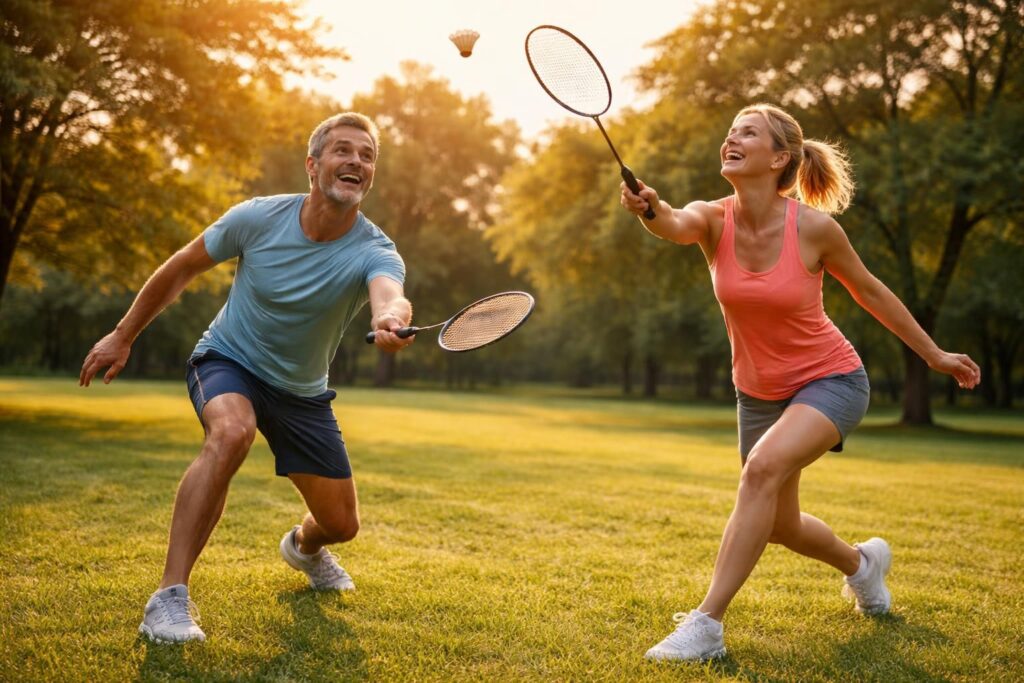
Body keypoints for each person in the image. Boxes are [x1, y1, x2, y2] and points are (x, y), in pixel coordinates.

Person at [620, 103, 981, 662]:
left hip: (830, 379)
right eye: (731, 131)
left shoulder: (813, 228)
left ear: (779, 158)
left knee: (760, 471)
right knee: (779, 524)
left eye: (748, 133)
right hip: (758, 393)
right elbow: (672, 221)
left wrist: (933, 354)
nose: (731, 139)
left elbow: (871, 291)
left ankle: (707, 625)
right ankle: (863, 565)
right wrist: (649, 207)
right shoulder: (712, 218)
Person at [79, 112, 415, 644]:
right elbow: (183, 266)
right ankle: (168, 599)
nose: (356, 161)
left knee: (342, 525)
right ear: (313, 165)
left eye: (367, 155)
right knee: (231, 433)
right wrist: (122, 335)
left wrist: (389, 318)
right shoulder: (258, 218)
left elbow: (389, 292)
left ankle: (303, 548)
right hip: (229, 358)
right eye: (343, 150)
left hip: (301, 393)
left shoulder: (375, 249)